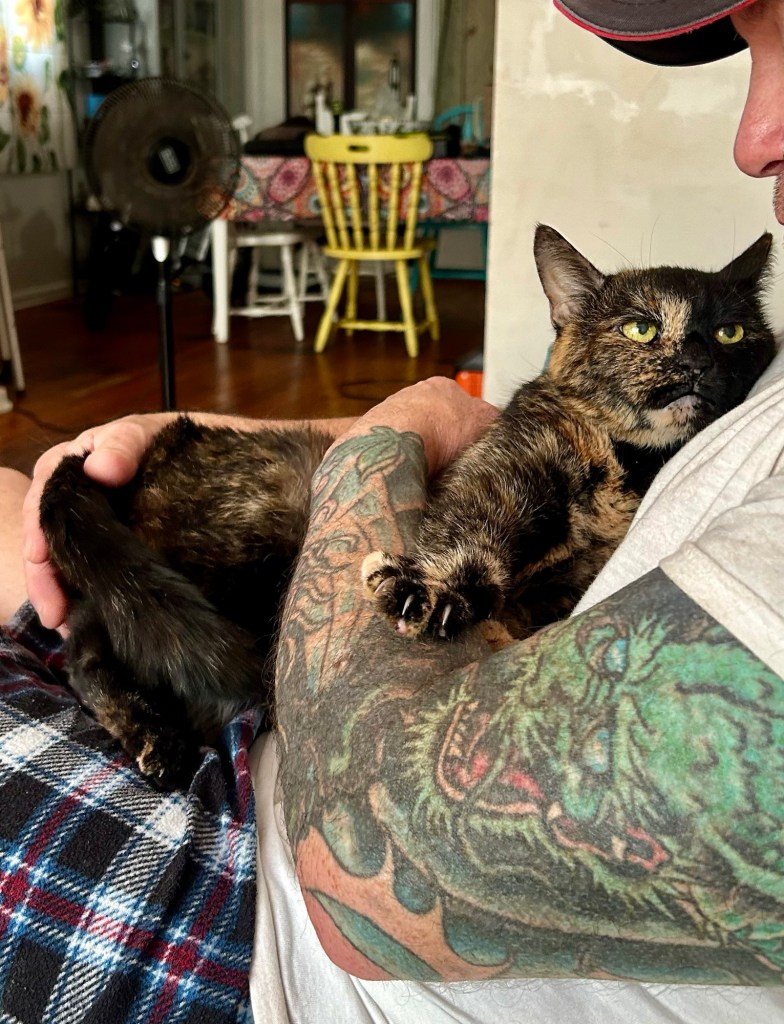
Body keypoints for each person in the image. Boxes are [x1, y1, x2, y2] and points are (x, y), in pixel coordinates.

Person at [3, 2, 784, 1022]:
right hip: (284, 681)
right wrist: (206, 421)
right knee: (39, 500)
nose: (749, 134)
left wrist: (401, 421)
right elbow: (527, 451)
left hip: (272, 899)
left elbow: (375, 859)